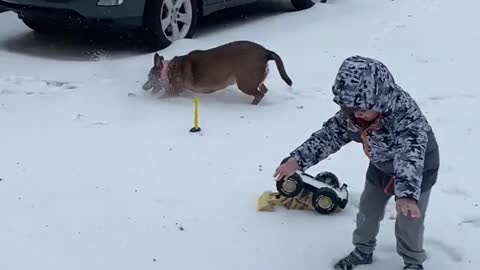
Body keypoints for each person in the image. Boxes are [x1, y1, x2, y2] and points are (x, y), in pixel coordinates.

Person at [273, 55, 439, 270]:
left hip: (418, 169)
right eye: (349, 108)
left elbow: (410, 153)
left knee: (408, 222)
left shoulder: (405, 115)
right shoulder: (353, 115)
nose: (355, 114)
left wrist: (407, 194)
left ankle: (413, 262)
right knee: (368, 212)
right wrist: (297, 160)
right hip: (380, 164)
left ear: (379, 99)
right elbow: (329, 136)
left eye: (361, 108)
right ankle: (363, 250)